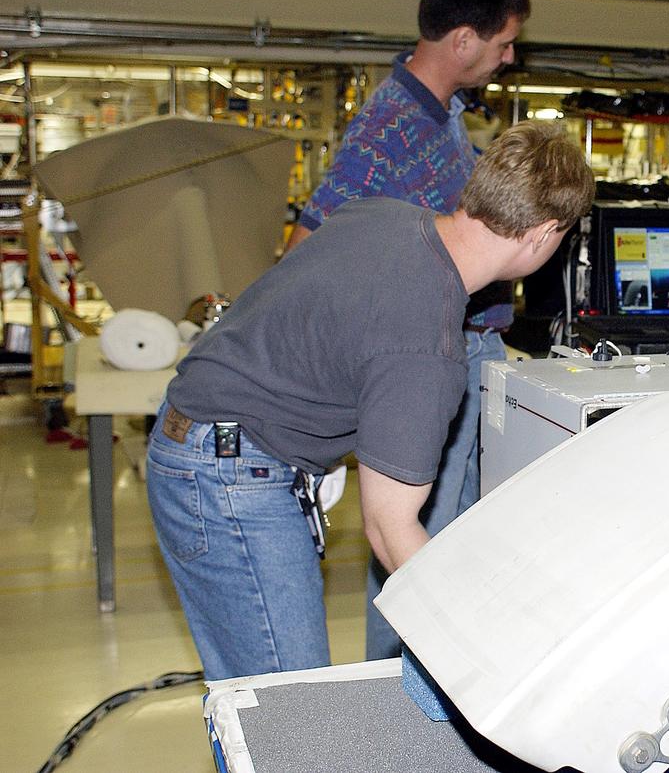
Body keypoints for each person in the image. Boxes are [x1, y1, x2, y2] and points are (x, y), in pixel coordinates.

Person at [147, 121, 595, 680]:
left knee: (261, 700)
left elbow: (310, 324)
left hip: (196, 437)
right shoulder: (427, 345)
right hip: (229, 475)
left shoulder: (377, 214)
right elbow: (389, 526)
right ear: (543, 233)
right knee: (292, 711)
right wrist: (478, 648)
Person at [281, 0, 530, 659]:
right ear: (463, 40)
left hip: (462, 350)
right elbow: (309, 245)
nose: (508, 58)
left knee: (444, 534)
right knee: (416, 541)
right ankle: (396, 694)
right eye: (504, 43)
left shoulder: (442, 115)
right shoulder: (391, 124)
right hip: (428, 358)